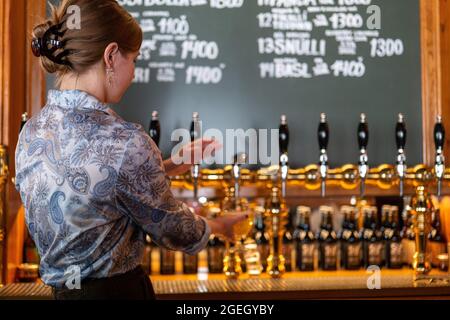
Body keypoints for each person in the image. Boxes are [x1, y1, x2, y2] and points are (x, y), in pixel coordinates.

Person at [15, 0, 246, 300]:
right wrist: (217, 225)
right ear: (111, 56)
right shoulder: (124, 142)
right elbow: (173, 229)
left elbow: (91, 186)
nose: (134, 73)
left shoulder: (30, 133)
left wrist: (172, 164)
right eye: (134, 60)